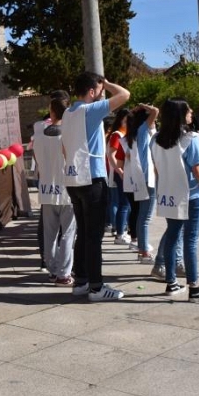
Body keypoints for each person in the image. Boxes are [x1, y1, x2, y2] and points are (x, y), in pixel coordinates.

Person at [61, 72, 130, 301]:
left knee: (83, 232)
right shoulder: (90, 109)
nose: (102, 95)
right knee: (94, 236)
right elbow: (124, 95)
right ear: (92, 92)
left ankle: (81, 281)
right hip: (92, 178)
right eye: (99, 91)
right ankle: (96, 287)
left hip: (74, 178)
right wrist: (107, 83)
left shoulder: (68, 113)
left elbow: (64, 148)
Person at [150, 98, 199, 300]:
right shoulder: (192, 138)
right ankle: (194, 286)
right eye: (188, 111)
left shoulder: (155, 140)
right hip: (190, 193)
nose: (191, 113)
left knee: (172, 236)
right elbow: (197, 171)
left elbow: (156, 168)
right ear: (181, 115)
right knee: (190, 240)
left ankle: (171, 282)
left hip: (168, 193)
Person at [32, 96, 76, 286]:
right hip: (67, 190)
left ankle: (52, 269)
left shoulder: (39, 134)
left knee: (49, 233)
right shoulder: (69, 135)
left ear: (51, 112)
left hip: (47, 189)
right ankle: (63, 273)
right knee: (67, 233)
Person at [122, 104, 158, 263]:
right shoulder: (144, 129)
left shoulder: (134, 133)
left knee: (142, 216)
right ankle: (144, 252)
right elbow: (156, 110)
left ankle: (142, 249)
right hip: (148, 178)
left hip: (140, 178)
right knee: (145, 217)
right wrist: (141, 106)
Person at [106, 107, 131, 244]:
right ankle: (120, 232)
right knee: (123, 203)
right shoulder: (117, 135)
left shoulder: (125, 135)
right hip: (120, 173)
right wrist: (119, 171)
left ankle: (122, 230)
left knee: (125, 203)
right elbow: (111, 155)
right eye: (126, 120)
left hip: (123, 172)